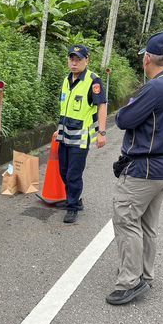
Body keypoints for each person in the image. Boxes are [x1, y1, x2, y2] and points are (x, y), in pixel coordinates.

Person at [107, 32, 163, 305]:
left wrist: (129, 107)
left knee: (126, 221)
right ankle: (145, 275)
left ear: (148, 59)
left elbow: (124, 119)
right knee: (147, 224)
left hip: (143, 170)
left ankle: (129, 282)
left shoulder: (156, 87)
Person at [55, 44, 107, 224]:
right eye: (72, 59)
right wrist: (58, 128)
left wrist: (101, 132)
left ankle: (73, 207)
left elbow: (101, 105)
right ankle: (75, 199)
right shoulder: (66, 79)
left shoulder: (93, 81)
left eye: (78, 59)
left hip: (81, 136)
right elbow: (65, 107)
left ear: (87, 60)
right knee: (63, 171)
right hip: (64, 134)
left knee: (73, 174)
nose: (74, 63)